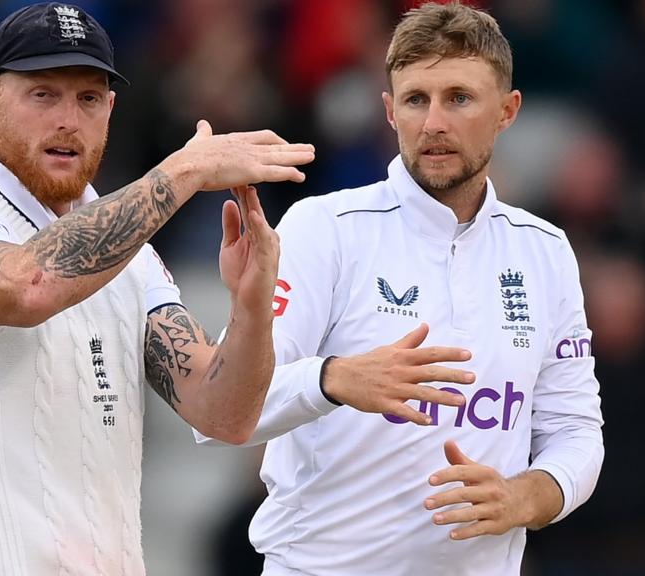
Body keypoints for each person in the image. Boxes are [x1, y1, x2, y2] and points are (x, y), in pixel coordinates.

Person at [0, 3, 314, 574]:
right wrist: (181, 173)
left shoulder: (134, 260)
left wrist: (251, 306)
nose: (67, 120)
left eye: (87, 98)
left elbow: (224, 415)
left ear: (110, 109)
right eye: (43, 94)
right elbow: (28, 287)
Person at [196, 3, 604, 574]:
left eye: (459, 98)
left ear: (507, 111)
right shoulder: (325, 228)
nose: (434, 121)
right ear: (389, 111)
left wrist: (526, 497)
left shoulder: (545, 250)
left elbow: (576, 430)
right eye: (416, 99)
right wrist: (332, 378)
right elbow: (221, 415)